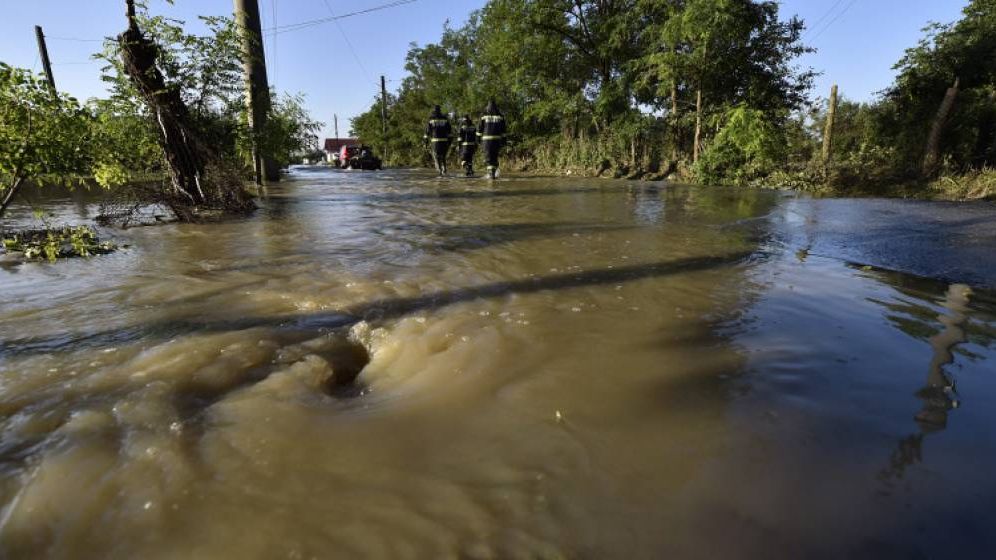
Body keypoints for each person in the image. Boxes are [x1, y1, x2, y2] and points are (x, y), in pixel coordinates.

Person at [477, 99, 507, 179]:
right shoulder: (500, 115)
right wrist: (504, 140)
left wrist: (478, 139)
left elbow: (480, 128)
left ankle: (491, 174)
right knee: (494, 156)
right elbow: (503, 130)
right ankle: (493, 172)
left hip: (486, 141)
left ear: (487, 106)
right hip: (497, 140)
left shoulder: (483, 115)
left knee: (488, 157)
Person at [424, 105, 452, 175]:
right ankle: (444, 168)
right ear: (440, 110)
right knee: (443, 156)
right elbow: (449, 130)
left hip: (435, 141)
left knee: (435, 155)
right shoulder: (445, 118)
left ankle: (439, 170)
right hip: (444, 141)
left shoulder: (431, 119)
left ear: (433, 110)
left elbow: (427, 132)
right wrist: (449, 141)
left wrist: (425, 143)